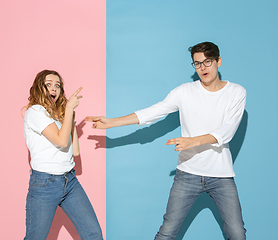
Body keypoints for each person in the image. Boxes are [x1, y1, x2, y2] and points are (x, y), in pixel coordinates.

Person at [86, 42, 246, 240]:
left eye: (207, 61)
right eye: (197, 63)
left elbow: (227, 131)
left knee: (237, 234)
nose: (203, 68)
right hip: (188, 174)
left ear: (218, 61)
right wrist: (111, 123)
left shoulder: (236, 92)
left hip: (221, 176)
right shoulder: (184, 91)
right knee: (167, 233)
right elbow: (153, 112)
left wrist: (193, 141)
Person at [22, 70, 103, 240]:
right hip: (45, 184)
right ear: (39, 87)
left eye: (57, 85)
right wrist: (68, 112)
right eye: (48, 84)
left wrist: (70, 115)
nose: (54, 88)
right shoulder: (36, 112)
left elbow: (75, 151)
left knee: (93, 234)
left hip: (70, 182)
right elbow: (61, 141)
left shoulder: (56, 117)